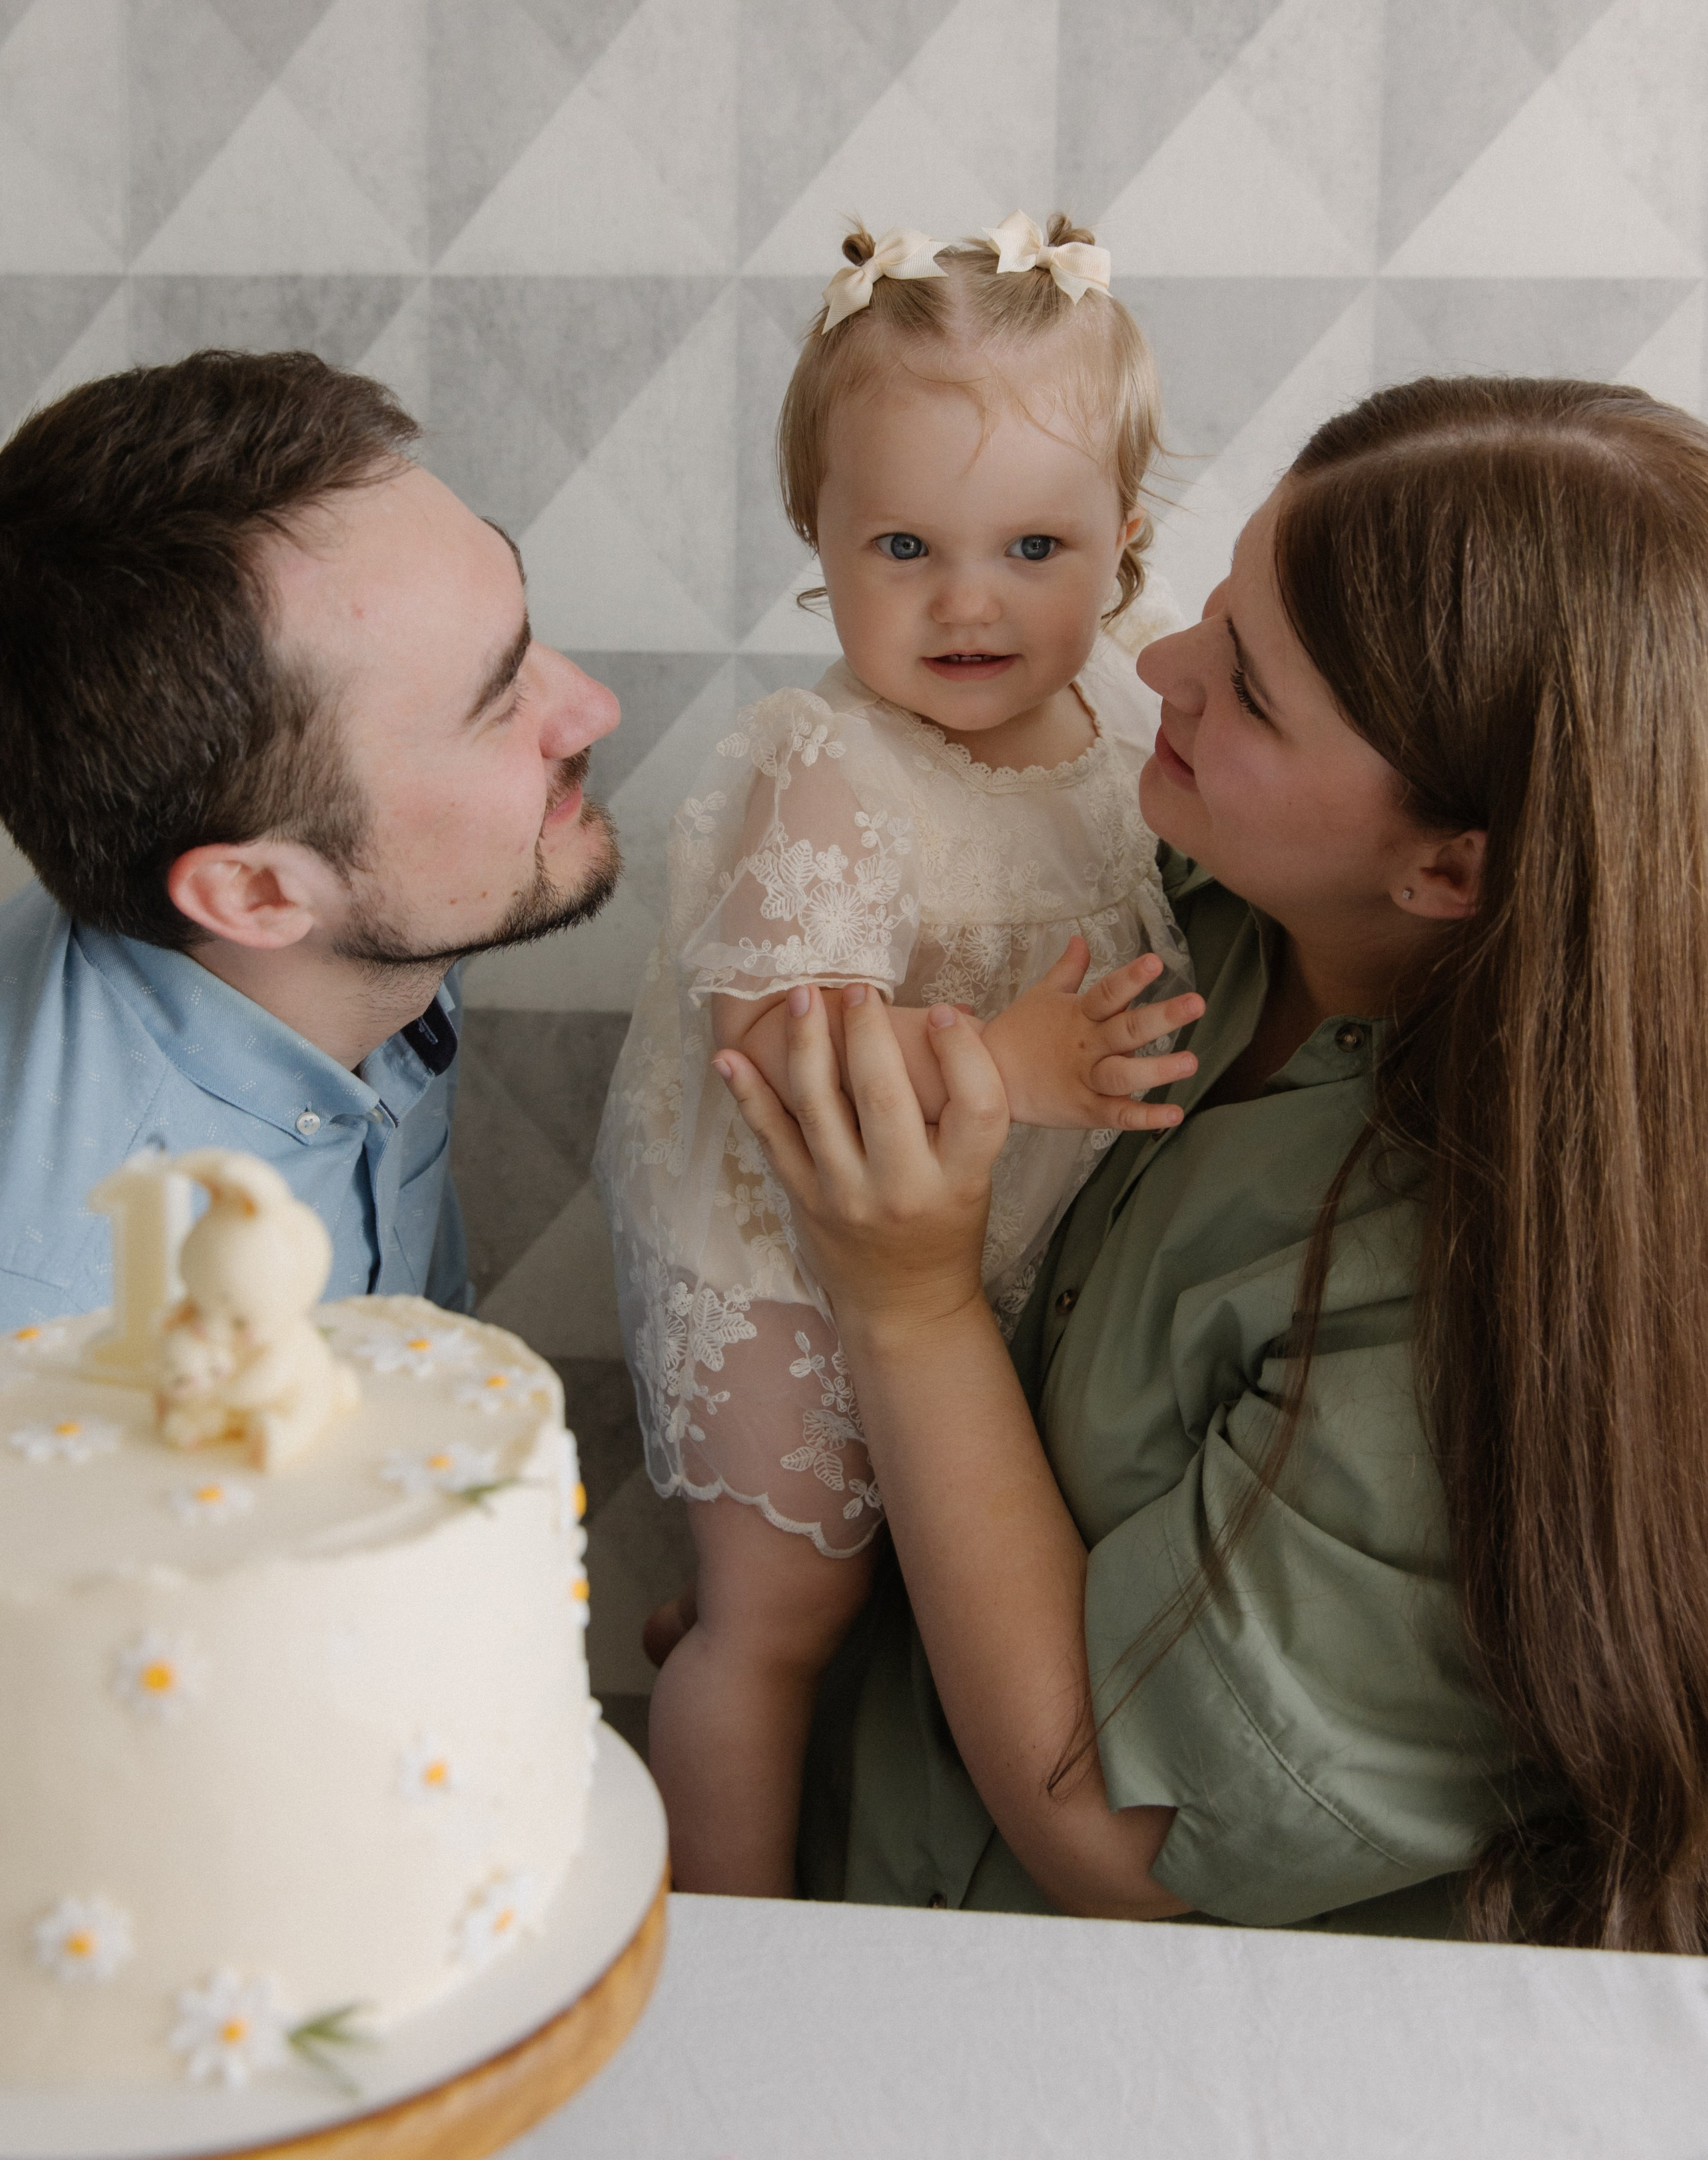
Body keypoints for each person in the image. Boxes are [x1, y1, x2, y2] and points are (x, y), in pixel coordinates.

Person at [707, 373, 1708, 1952]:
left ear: (1451, 866)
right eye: (1212, 603)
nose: (1153, 660)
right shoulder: (1197, 904)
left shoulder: (1487, 1299)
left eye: (1243, 689)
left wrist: (904, 1301)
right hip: (858, 1842)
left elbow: (1120, 1827)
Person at [596, 214, 1204, 1896]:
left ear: (1124, 545)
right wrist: (1001, 1067)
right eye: (901, 546)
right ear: (817, 539)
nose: (964, 602)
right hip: (795, 1247)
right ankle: (725, 1936)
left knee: (939, 1581)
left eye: (1029, 546)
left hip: (982, 1244)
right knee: (777, 1615)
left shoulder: (1128, 744)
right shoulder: (827, 765)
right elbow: (783, 1065)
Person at [0, 350, 620, 1331]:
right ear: (256, 896)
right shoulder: (74, 1331)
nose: (593, 706)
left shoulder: (371, 931)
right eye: (498, 701)